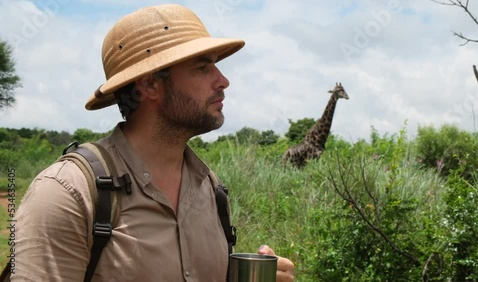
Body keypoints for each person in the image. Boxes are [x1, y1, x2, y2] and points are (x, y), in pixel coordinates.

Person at [11, 4, 294, 282]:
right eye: (202, 67)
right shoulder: (67, 194)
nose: (223, 81)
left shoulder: (212, 190)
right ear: (149, 85)